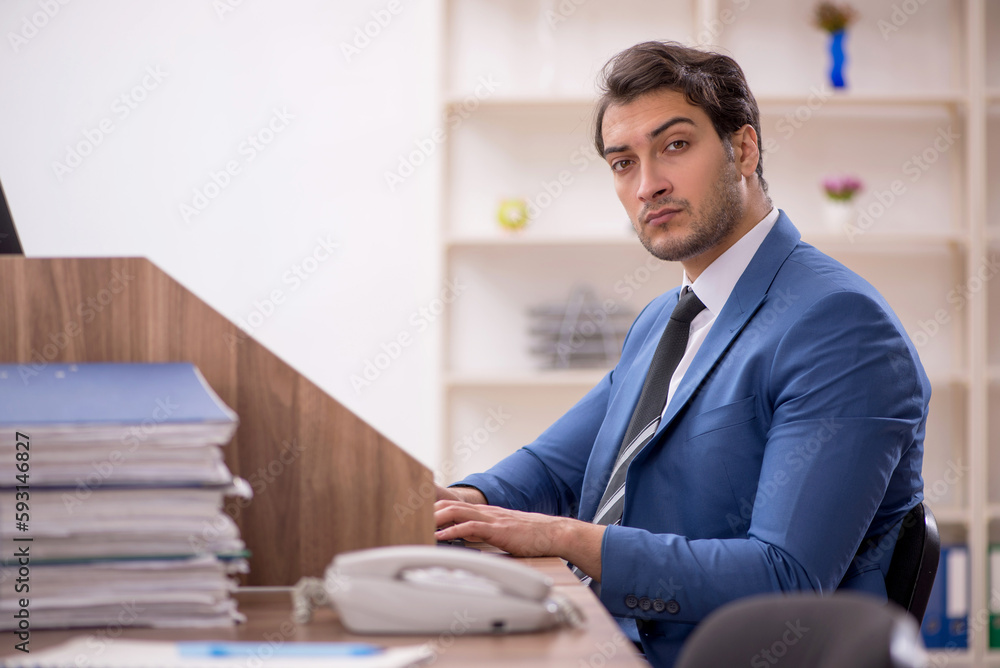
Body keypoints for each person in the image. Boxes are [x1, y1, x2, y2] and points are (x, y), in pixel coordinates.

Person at [434, 41, 929, 667]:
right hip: (608, 639)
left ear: (742, 149)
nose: (648, 185)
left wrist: (565, 537)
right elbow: (556, 469)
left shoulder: (839, 326)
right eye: (622, 162)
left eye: (674, 146)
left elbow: (786, 576)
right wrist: (456, 505)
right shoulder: (665, 322)